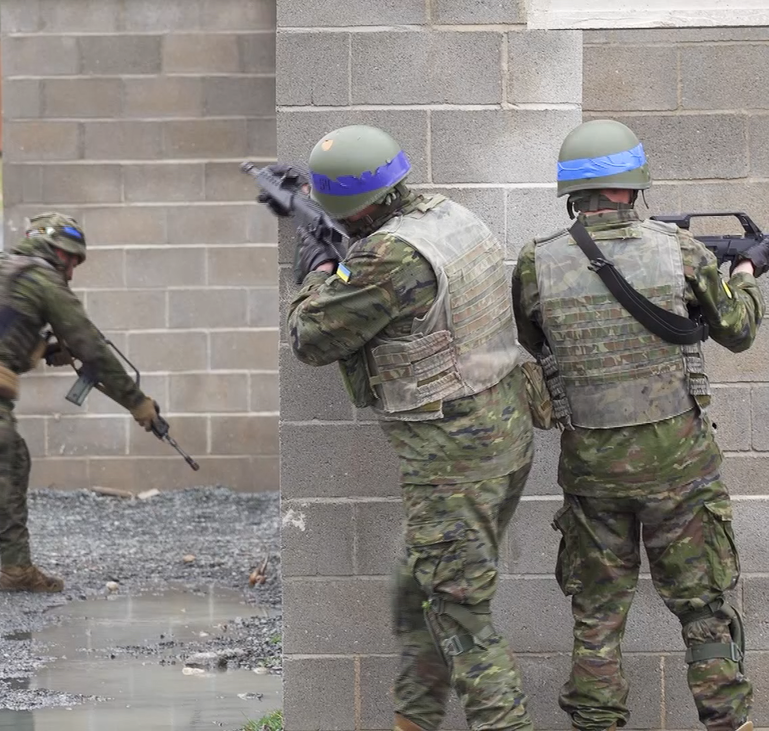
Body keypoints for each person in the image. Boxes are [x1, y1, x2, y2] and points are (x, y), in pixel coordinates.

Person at [512, 118, 768, 731]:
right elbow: (735, 331)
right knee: (704, 609)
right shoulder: (683, 252)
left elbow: (535, 340)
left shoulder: (535, 263)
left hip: (591, 471)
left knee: (597, 616)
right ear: (632, 188)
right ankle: (727, 723)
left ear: (573, 193)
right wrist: (746, 277)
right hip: (680, 468)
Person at [283, 125, 539, 731]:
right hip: (502, 437)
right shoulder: (450, 216)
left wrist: (319, 269)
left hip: (454, 461)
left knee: (458, 613)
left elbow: (311, 338)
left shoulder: (387, 256)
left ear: (355, 206)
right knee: (414, 593)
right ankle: (414, 720)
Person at [0, 212, 160, 599]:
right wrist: (138, 403)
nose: (72, 271)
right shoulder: (41, 278)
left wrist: (41, 347)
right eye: (71, 259)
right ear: (57, 251)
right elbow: (92, 349)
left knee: (13, 460)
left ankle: (16, 567)